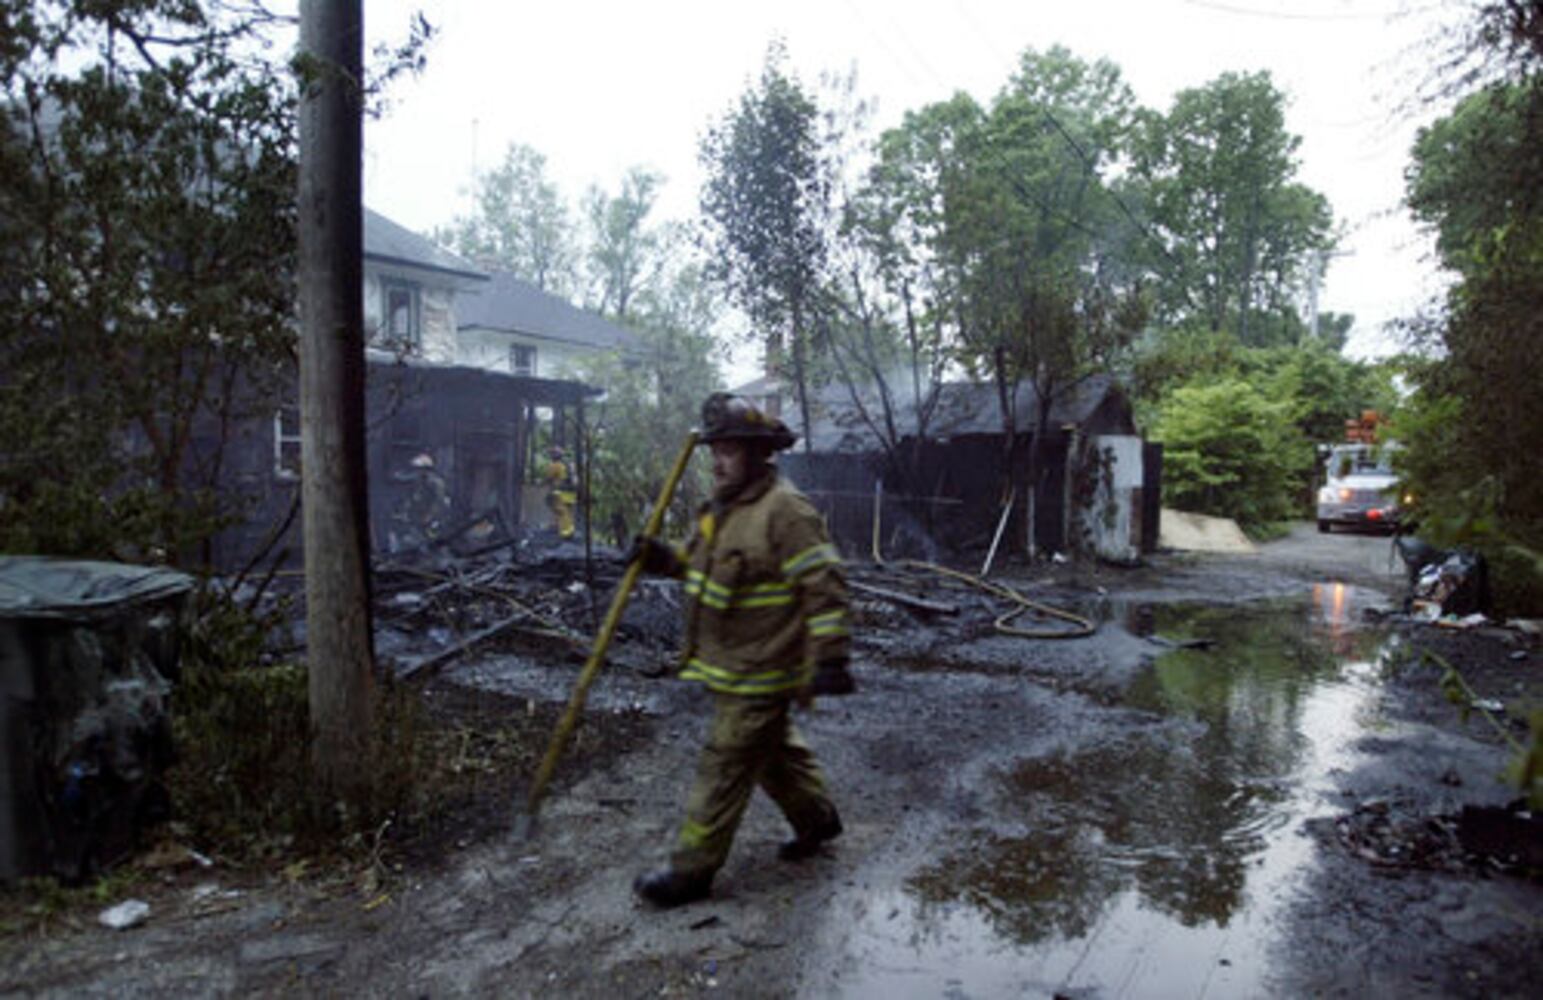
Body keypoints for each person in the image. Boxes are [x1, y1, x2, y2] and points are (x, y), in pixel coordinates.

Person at [630, 392, 856, 909]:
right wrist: (661, 558)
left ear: (758, 455)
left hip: (765, 669)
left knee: (726, 761)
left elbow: (824, 583)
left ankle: (691, 870)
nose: (717, 460)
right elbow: (696, 563)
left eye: (729, 450)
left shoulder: (786, 511)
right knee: (773, 755)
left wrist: (832, 657)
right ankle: (818, 821)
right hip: (733, 665)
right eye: (716, 450)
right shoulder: (721, 510)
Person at [542, 445, 577, 539]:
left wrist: (541, 482)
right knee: (567, 512)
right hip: (571, 494)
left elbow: (549, 477)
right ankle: (567, 530)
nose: (551, 456)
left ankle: (565, 534)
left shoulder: (555, 465)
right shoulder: (567, 464)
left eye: (552, 454)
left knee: (560, 511)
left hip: (560, 493)